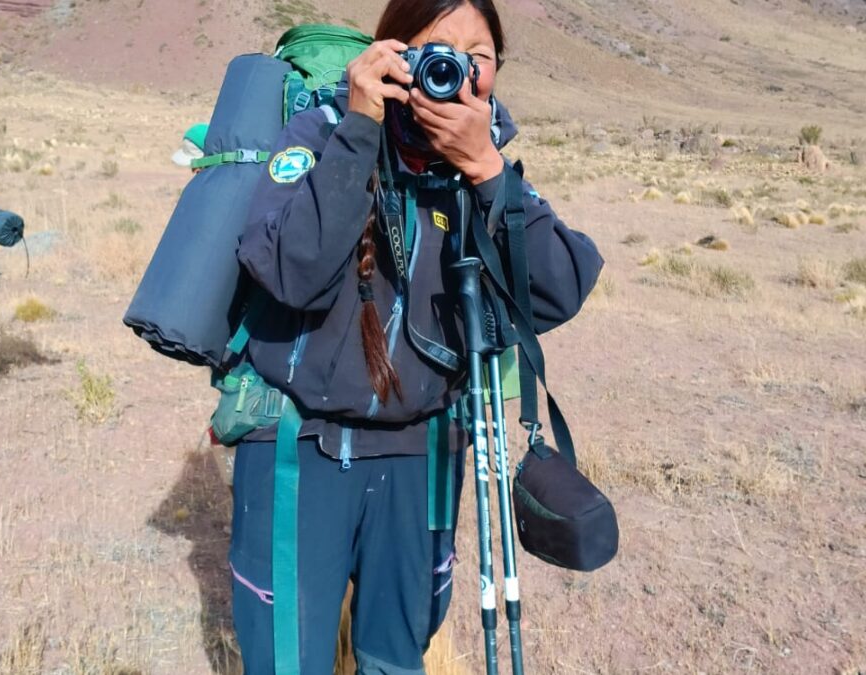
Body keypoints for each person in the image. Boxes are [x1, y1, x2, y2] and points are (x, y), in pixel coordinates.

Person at [230, 0, 604, 672]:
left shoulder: (483, 171)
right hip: (301, 445)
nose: (454, 69)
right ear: (393, 54)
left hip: (421, 454)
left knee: (395, 657)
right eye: (436, 48)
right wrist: (359, 128)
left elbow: (557, 287)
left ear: (493, 73)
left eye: (477, 56)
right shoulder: (318, 134)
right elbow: (293, 270)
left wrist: (486, 171)